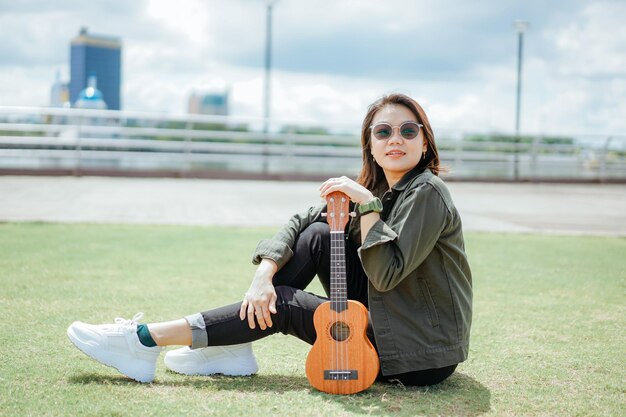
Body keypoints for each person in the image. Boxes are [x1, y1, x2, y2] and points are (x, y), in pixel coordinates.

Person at [67, 93, 473, 386]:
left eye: (407, 130)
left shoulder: (427, 193)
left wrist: (367, 206)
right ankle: (232, 345)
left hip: (416, 356)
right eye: (383, 131)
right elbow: (300, 220)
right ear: (370, 143)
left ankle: (144, 341)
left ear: (425, 139)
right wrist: (264, 274)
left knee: (284, 304)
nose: (395, 139)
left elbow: (385, 276)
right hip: (387, 324)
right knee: (317, 235)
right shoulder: (376, 190)